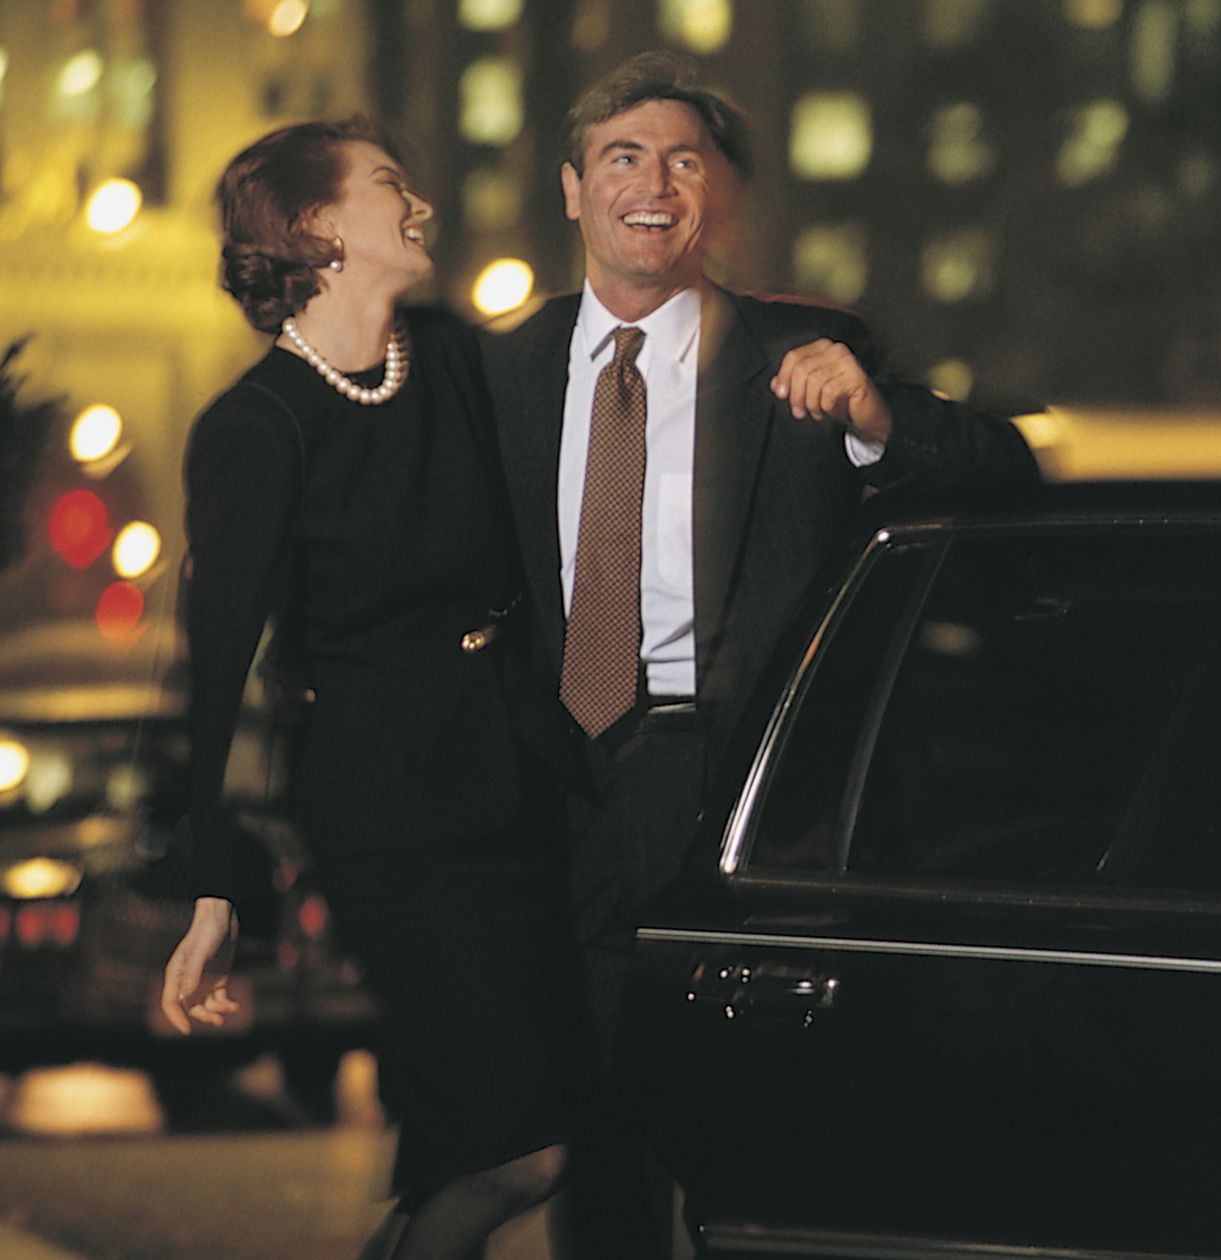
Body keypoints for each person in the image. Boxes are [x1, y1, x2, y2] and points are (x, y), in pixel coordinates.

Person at [483, 51, 1036, 1258]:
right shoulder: (502, 373)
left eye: (684, 160)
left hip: (741, 792)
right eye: (622, 157)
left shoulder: (806, 349)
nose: (654, 182)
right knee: (598, 1141)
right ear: (573, 189)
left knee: (765, 1138)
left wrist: (876, 413)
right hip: (570, 789)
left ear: (711, 196)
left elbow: (1001, 468)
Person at [159, 118, 580, 1260]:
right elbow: (225, 667)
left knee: (484, 1136)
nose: (421, 207)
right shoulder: (258, 429)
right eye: (391, 187)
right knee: (523, 1147)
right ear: (316, 229)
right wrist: (214, 891)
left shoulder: (442, 355)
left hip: (514, 792)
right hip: (391, 825)